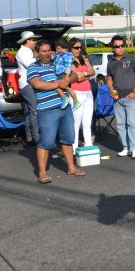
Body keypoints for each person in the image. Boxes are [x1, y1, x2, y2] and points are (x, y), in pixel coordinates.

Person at [27, 39, 84, 182]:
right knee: (46, 141)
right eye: (43, 51)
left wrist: (67, 79)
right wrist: (59, 83)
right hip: (46, 110)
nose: (47, 54)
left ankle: (71, 168)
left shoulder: (57, 62)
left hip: (65, 108)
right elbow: (38, 84)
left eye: (49, 50)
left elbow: (76, 75)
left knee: (67, 139)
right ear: (37, 53)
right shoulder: (33, 67)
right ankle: (42, 173)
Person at [105, 35, 135, 158]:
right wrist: (112, 91)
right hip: (118, 99)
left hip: (131, 97)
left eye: (122, 45)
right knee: (121, 124)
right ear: (112, 48)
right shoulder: (110, 63)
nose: (121, 48)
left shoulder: (131, 59)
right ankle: (126, 148)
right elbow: (109, 79)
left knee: (132, 123)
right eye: (117, 46)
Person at [15, 31, 42, 145]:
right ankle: (36, 138)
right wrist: (37, 57)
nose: (35, 41)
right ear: (28, 41)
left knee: (28, 111)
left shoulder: (26, 51)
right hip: (27, 84)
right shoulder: (22, 52)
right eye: (33, 39)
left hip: (28, 84)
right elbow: (31, 65)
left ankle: (29, 137)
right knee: (34, 110)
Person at [68, 38, 95, 149]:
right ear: (70, 48)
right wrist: (86, 74)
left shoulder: (84, 59)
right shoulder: (68, 60)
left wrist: (84, 74)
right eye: (76, 48)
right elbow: (76, 77)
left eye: (80, 47)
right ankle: (73, 148)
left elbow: (93, 72)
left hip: (88, 92)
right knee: (76, 123)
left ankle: (88, 145)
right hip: (76, 93)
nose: (79, 50)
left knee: (87, 123)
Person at [52, 38, 78, 109]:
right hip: (62, 74)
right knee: (68, 88)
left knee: (55, 85)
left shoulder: (66, 55)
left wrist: (66, 76)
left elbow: (68, 65)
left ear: (58, 47)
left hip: (62, 74)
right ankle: (76, 102)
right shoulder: (60, 55)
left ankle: (64, 98)